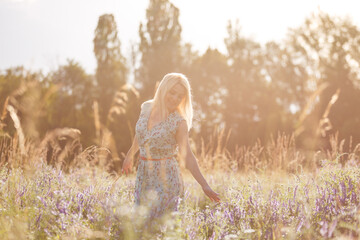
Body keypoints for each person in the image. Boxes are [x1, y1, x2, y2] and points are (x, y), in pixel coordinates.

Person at [122, 73, 220, 218]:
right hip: (143, 176)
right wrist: (129, 156)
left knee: (161, 226)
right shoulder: (146, 108)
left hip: (166, 179)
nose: (175, 98)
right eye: (172, 92)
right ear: (163, 89)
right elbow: (141, 134)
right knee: (141, 224)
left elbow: (187, 156)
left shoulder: (179, 122)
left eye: (179, 96)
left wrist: (204, 185)